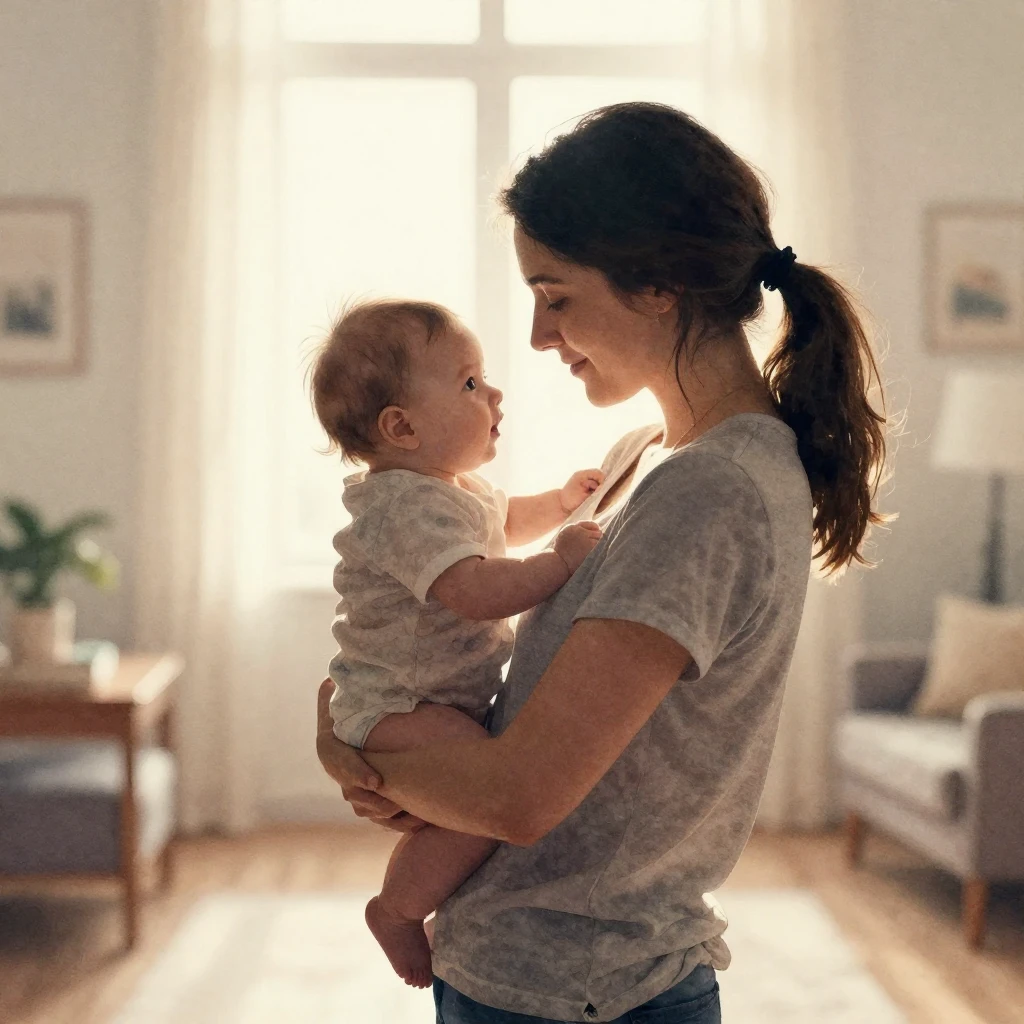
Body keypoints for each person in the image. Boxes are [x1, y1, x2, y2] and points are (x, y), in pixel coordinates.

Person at [316, 101, 891, 1024]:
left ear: (658, 285)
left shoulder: (715, 491)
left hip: (578, 988)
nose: (540, 338)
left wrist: (348, 753)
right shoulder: (643, 458)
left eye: (557, 296)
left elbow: (517, 797)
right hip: (522, 967)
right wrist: (392, 758)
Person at [309, 297, 606, 989]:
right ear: (402, 426)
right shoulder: (401, 506)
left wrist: (559, 504)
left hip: (428, 699)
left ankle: (426, 889)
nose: (493, 391)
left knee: (475, 797)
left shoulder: (453, 489)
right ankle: (398, 911)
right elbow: (471, 587)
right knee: (487, 802)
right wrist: (557, 566)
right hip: (397, 705)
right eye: (470, 384)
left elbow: (502, 523)